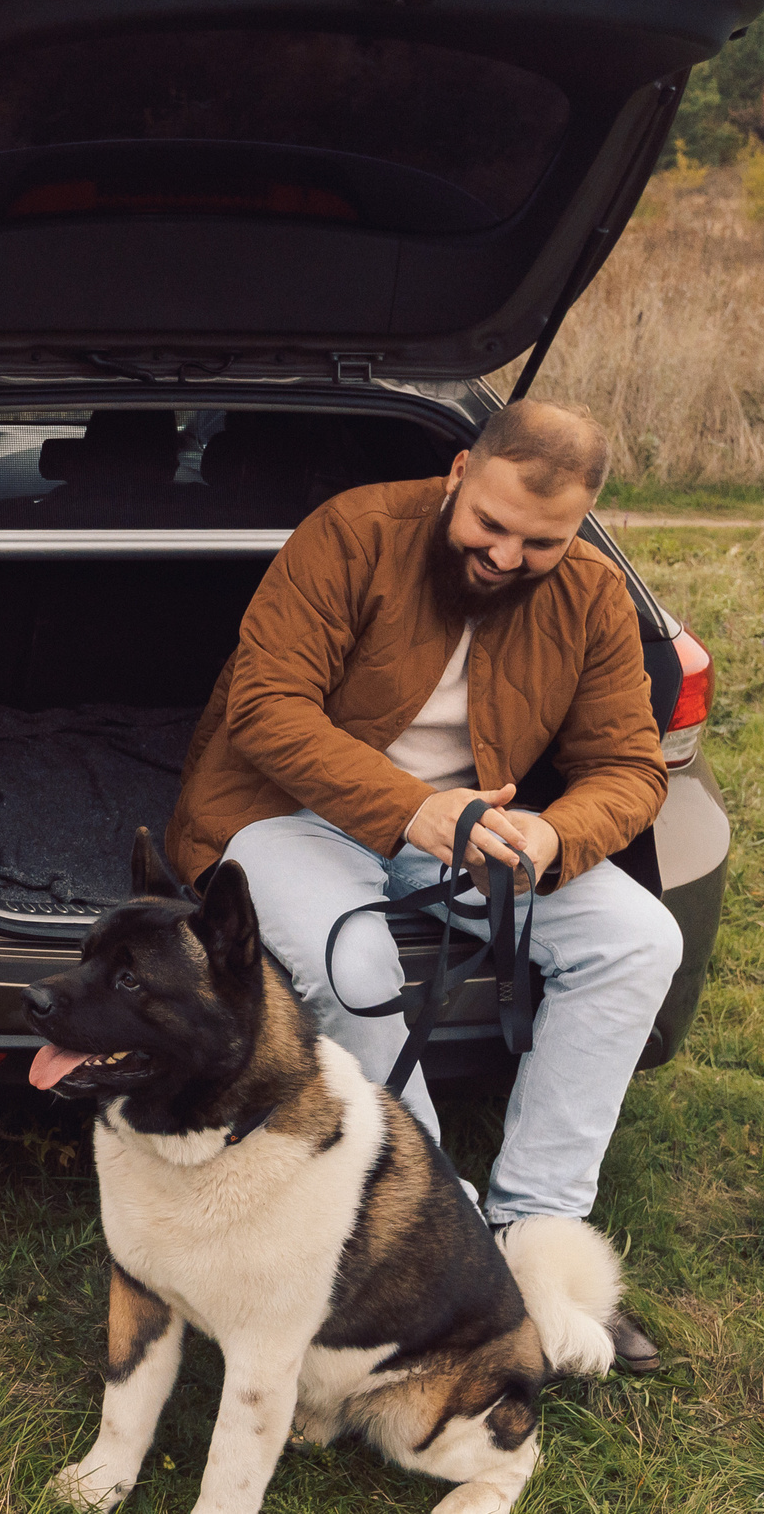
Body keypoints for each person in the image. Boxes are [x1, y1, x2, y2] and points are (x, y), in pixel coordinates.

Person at [164, 398, 679, 1372]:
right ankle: (446, 1235)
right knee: (349, 959)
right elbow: (266, 709)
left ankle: (540, 1233)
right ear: (455, 475)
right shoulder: (350, 533)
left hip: (473, 830)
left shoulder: (593, 593)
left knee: (639, 940)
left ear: (578, 527)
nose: (504, 555)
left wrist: (551, 830)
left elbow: (631, 767)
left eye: (542, 541)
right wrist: (412, 809)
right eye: (489, 524)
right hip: (282, 812)